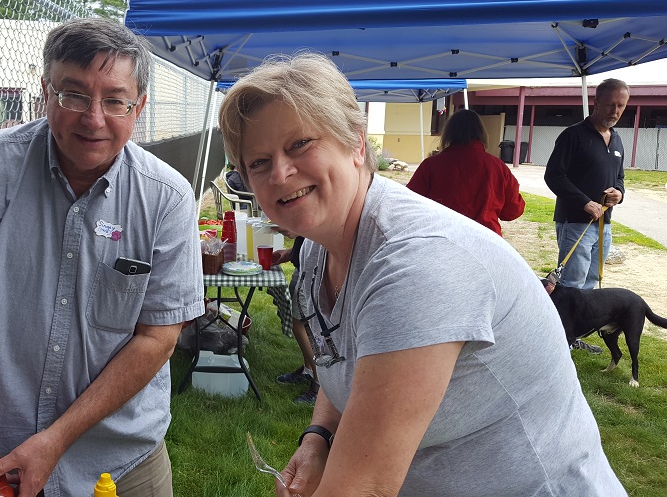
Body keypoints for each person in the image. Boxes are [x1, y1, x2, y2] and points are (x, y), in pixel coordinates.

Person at [218, 52, 626, 497]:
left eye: (299, 145)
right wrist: (318, 439)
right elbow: (340, 358)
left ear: (356, 143)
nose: (279, 173)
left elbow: (363, 486)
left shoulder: (417, 266)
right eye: (258, 162)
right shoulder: (319, 247)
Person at [0, 17, 204, 497]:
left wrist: (55, 440)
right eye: (73, 94)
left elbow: (157, 338)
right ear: (45, 92)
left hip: (119, 461)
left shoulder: (167, 198)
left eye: (114, 100)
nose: (93, 118)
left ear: (138, 107)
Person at [545, 78, 628, 290]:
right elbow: (554, 175)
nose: (615, 111)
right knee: (572, 286)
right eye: (610, 104)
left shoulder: (617, 140)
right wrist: (585, 202)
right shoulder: (573, 135)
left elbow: (619, 177)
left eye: (621, 106)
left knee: (592, 284)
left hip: (604, 224)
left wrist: (619, 192)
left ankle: (585, 324)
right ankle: (565, 324)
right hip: (574, 223)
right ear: (596, 101)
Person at [406, 109, 525, 236]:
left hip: (441, 239)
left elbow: (411, 205)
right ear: (482, 134)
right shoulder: (498, 168)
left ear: (448, 134)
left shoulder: (430, 165)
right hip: (486, 241)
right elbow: (513, 211)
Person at [272, 236, 320, 405]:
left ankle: (319, 383)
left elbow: (308, 232)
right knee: (303, 323)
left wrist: (287, 227)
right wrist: (289, 253)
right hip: (303, 266)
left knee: (300, 324)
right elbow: (304, 237)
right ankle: (308, 370)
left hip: (311, 268)